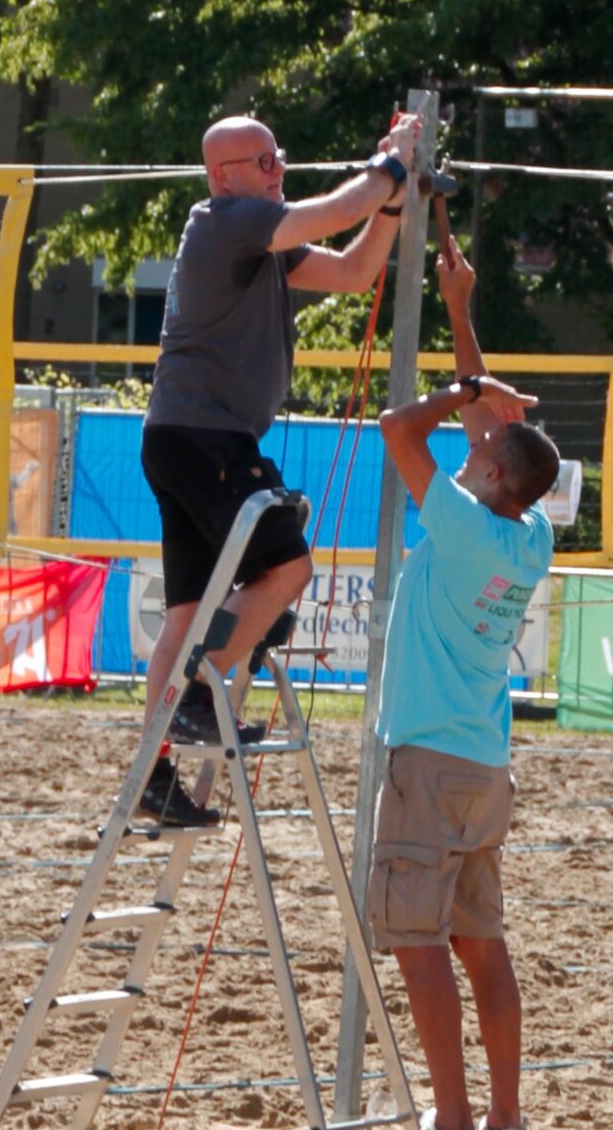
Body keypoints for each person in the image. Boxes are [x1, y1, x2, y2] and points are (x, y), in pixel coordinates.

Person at [137, 110, 422, 827]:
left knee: (184, 614)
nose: (279, 170)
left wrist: (390, 202)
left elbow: (354, 272)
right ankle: (197, 696)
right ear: (223, 175)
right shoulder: (225, 221)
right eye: (264, 161)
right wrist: (392, 163)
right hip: (206, 437)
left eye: (279, 157)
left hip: (185, 435)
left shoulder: (259, 239)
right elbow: (336, 211)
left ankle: (153, 772)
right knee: (288, 570)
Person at [368, 243, 560, 1130]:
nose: (471, 444)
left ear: (488, 478)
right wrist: (458, 307)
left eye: (479, 449)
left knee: (419, 947)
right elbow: (496, 427)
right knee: (483, 946)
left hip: (429, 763)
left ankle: (448, 1125)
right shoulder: (531, 533)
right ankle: (506, 1120)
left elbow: (395, 427)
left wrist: (459, 393)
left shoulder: (458, 524)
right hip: (484, 766)